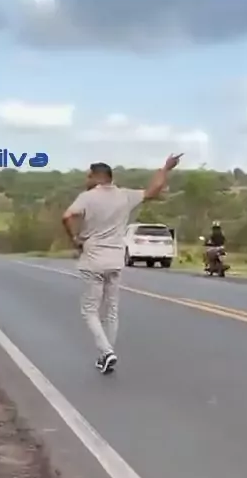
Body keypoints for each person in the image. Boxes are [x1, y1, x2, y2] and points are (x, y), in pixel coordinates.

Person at [62, 153, 182, 374]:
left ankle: (107, 351)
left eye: (88, 176)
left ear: (97, 177)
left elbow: (67, 216)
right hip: (116, 259)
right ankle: (105, 355)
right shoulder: (125, 195)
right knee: (112, 310)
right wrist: (166, 168)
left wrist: (75, 239)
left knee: (90, 310)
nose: (86, 180)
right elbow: (153, 190)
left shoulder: (87, 197)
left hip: (93, 258)